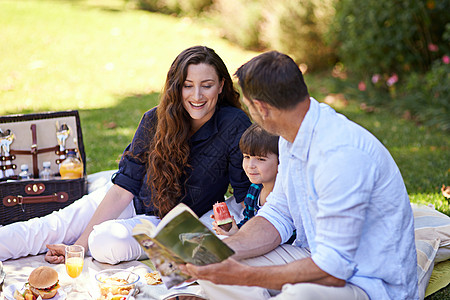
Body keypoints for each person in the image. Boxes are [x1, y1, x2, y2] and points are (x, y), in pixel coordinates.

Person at [182, 51, 419, 300]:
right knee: (212, 269)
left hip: (367, 283)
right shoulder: (289, 137)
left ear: (261, 108)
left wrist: (241, 275)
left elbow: (334, 270)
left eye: (249, 105)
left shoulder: (340, 156)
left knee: (299, 294)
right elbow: (277, 214)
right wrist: (218, 251)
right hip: (314, 255)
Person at [0, 46, 252, 265]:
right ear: (177, 87)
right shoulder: (155, 119)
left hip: (168, 223)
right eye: (188, 86)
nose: (197, 96)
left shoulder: (234, 124)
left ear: (221, 85)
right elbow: (123, 188)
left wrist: (218, 232)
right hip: (129, 200)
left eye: (206, 86)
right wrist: (77, 247)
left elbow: (243, 194)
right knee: (47, 229)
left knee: (106, 243)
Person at [212, 123, 279, 236]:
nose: (250, 165)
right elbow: (248, 221)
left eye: (261, 159)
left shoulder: (285, 197)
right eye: (246, 157)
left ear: (281, 161)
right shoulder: (254, 190)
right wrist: (234, 230)